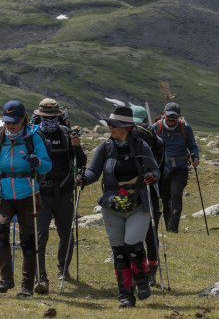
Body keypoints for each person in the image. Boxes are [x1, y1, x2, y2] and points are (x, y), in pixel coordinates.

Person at [77, 106, 160, 308]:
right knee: (119, 252)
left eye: (114, 125)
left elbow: (155, 170)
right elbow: (93, 172)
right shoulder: (105, 147)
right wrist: (83, 179)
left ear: (127, 128)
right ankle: (126, 296)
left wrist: (152, 176)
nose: (111, 128)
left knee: (132, 243)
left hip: (138, 204)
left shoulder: (141, 146)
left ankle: (142, 280)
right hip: (111, 204)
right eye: (110, 125)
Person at [0, 100, 52, 297]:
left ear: (23, 118)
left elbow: (47, 165)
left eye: (14, 121)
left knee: (28, 241)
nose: (11, 125)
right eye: (7, 121)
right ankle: (6, 280)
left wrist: (37, 161)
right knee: (0, 234)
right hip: (3, 194)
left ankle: (26, 285)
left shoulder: (34, 137)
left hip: (29, 193)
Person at [30, 98, 87, 293]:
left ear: (59, 116)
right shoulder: (33, 135)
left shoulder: (67, 134)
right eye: (45, 117)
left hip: (63, 191)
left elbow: (81, 161)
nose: (49, 120)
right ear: (38, 116)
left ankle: (63, 268)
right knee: (40, 236)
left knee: (66, 234)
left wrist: (77, 146)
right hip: (41, 192)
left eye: (53, 117)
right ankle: (41, 277)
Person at [131, 105, 165, 286]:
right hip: (152, 187)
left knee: (133, 233)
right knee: (151, 233)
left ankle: (138, 271)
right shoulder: (155, 137)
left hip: (133, 189)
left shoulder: (132, 134)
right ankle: (152, 270)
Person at [151, 102, 199, 233]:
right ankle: (168, 227)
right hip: (163, 169)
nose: (171, 119)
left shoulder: (185, 128)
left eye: (174, 116)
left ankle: (173, 229)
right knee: (165, 199)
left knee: (176, 194)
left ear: (179, 116)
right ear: (163, 115)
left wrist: (195, 156)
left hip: (180, 168)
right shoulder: (156, 128)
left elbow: (193, 146)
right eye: (168, 116)